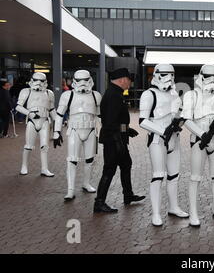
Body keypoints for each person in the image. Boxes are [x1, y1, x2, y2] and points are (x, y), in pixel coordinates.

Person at [181, 64, 214, 227]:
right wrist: (202, 134)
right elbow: (187, 119)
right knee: (195, 177)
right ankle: (194, 213)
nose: (212, 80)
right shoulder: (191, 95)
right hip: (199, 140)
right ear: (201, 76)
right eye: (208, 76)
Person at [139, 64, 189, 226]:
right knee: (158, 175)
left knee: (174, 175)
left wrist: (178, 123)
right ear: (157, 75)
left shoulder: (174, 94)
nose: (169, 78)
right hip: (157, 140)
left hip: (174, 139)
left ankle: (173, 207)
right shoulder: (149, 94)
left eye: (171, 74)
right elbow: (143, 121)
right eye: (165, 74)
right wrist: (162, 131)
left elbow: (179, 114)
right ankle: (156, 213)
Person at [94, 68, 145, 213]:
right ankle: (99, 203)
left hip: (118, 138)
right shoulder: (113, 95)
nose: (130, 83)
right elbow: (109, 122)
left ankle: (128, 195)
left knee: (126, 164)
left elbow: (117, 119)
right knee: (109, 170)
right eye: (129, 80)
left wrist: (126, 130)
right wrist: (118, 142)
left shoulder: (116, 93)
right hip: (113, 140)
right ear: (122, 79)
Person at [53, 70, 102, 201]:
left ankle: (86, 183)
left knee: (89, 160)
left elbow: (99, 115)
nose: (82, 83)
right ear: (74, 81)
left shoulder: (96, 95)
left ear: (90, 80)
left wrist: (104, 131)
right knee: (72, 160)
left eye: (85, 80)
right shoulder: (67, 95)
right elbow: (59, 114)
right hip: (75, 130)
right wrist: (56, 132)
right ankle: (70, 190)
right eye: (79, 80)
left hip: (91, 130)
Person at [15, 73, 56, 177]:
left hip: (45, 121)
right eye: (36, 80)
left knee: (45, 147)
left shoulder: (49, 93)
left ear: (45, 82)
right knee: (29, 146)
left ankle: (44, 169)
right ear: (32, 80)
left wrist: (58, 124)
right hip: (32, 121)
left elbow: (52, 109)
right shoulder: (26, 91)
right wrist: (29, 113)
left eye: (42, 81)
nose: (39, 83)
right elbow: (18, 107)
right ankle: (24, 166)